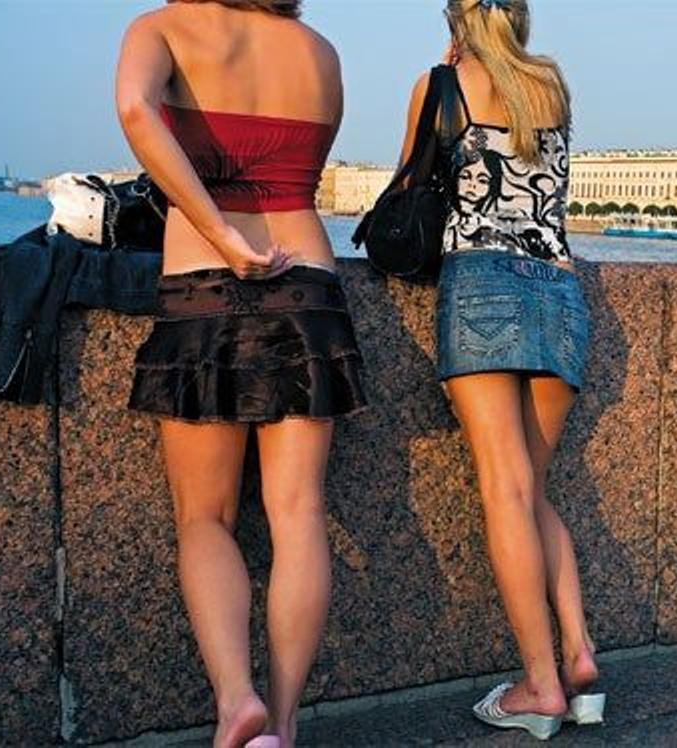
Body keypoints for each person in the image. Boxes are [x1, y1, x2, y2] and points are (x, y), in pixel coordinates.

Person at [116, 2, 365, 745]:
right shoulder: (319, 52)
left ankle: (236, 702)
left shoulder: (161, 27)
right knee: (299, 515)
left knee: (204, 517)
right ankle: (283, 728)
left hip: (202, 287)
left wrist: (221, 232)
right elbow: (295, 174)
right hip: (309, 289)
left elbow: (135, 108)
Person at [395, 0, 601, 739]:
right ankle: (578, 658)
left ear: (454, 20)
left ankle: (540, 685)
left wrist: (445, 83)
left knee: (505, 492)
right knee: (533, 489)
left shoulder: (439, 86)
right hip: (561, 293)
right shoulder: (552, 85)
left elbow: (410, 189)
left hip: (482, 283)